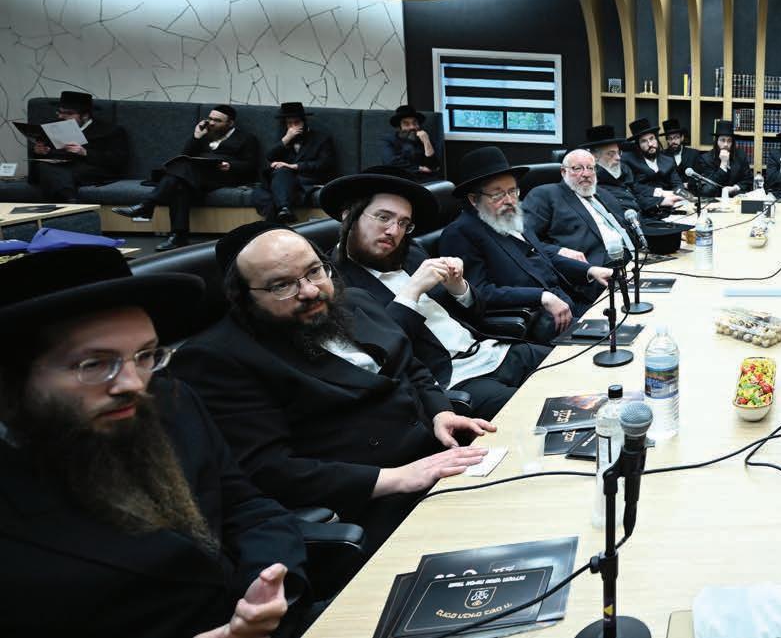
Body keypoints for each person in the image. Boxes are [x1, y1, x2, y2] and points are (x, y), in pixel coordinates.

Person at [0, 247, 310, 638]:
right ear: (12, 375)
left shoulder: (171, 403)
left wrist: (267, 585)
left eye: (145, 355)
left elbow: (248, 507)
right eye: (95, 364)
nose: (133, 383)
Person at [170, 222, 496, 548]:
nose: (310, 291)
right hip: (369, 503)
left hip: (438, 456)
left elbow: (410, 365)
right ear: (243, 297)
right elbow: (268, 470)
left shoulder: (354, 300)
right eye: (282, 285)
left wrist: (440, 412)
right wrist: (397, 478)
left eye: (314, 271)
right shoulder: (217, 357)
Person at [324, 174, 553, 418]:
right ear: (348, 216)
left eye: (403, 223)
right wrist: (412, 291)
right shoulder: (333, 284)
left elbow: (477, 314)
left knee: (575, 364)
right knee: (545, 409)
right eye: (383, 217)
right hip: (455, 380)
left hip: (494, 351)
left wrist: (459, 288)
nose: (393, 231)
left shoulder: (411, 252)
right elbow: (384, 353)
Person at [438, 146, 610, 341]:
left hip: (569, 302)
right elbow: (479, 293)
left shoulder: (511, 218)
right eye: (498, 194)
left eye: (512, 191)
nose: (509, 200)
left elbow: (542, 255)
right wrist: (541, 296)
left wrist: (590, 270)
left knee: (625, 318)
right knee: (614, 341)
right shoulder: (460, 233)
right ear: (473, 199)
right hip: (537, 321)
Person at [114, 104, 262, 251]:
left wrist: (230, 165)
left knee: (180, 172)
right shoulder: (204, 135)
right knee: (180, 186)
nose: (211, 123)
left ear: (230, 123)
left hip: (224, 176)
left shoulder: (246, 138)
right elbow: (185, 155)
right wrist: (196, 137)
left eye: (217, 120)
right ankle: (178, 237)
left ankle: (148, 206)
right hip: (196, 175)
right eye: (210, 118)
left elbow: (251, 165)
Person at [524, 149, 636, 270]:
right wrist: (559, 251)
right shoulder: (545, 194)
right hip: (590, 269)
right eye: (577, 168)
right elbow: (526, 239)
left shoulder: (603, 194)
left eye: (590, 168)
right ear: (563, 172)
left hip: (631, 262)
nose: (586, 174)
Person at [27, 90, 130, 203]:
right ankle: (70, 201)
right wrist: (41, 151)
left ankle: (67, 201)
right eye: (60, 112)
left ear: (85, 115)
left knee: (55, 173)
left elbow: (118, 160)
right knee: (45, 167)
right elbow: (45, 154)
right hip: (58, 166)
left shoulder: (110, 130)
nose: (61, 116)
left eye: (68, 113)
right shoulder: (52, 126)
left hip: (91, 168)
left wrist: (85, 152)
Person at [254, 102, 337, 224]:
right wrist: (286, 139)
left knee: (280, 177)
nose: (293, 127)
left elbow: (324, 164)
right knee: (265, 188)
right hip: (282, 180)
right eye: (289, 123)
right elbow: (270, 157)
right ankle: (283, 211)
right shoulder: (285, 138)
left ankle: (277, 218)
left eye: (296, 123)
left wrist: (293, 166)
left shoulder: (321, 138)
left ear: (304, 122)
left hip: (306, 179)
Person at [582, 123, 682, 222]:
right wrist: (660, 198)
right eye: (611, 154)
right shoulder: (591, 182)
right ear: (594, 156)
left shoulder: (623, 169)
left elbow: (635, 194)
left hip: (651, 213)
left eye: (618, 152)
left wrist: (662, 201)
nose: (618, 158)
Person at [689, 119, 755, 197]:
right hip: (714, 200)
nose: (726, 144)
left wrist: (735, 188)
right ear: (716, 141)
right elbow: (709, 187)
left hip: (735, 198)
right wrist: (723, 164)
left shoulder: (740, 156)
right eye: (722, 140)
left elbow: (748, 179)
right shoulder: (705, 159)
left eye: (729, 141)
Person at [624, 117, 685, 197]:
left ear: (656, 139)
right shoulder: (628, 160)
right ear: (638, 145)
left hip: (672, 200)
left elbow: (678, 184)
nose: (650, 144)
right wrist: (661, 194)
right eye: (644, 141)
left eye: (652, 139)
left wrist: (682, 197)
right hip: (644, 201)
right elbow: (632, 186)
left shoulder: (668, 161)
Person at [381, 104, 440, 180]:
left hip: (423, 180)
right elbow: (390, 162)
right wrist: (419, 168)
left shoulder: (424, 138)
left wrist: (426, 142)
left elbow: (434, 167)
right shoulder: (389, 140)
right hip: (398, 179)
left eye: (415, 123)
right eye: (406, 124)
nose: (412, 127)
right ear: (399, 127)